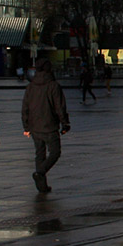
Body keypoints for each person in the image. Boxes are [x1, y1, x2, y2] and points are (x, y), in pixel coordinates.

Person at [21, 58, 70, 193]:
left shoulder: (31, 86)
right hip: (50, 125)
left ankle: (41, 185)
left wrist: (26, 126)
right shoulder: (53, 85)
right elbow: (60, 107)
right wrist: (65, 123)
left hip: (35, 126)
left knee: (39, 153)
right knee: (55, 152)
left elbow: (25, 107)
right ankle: (40, 173)